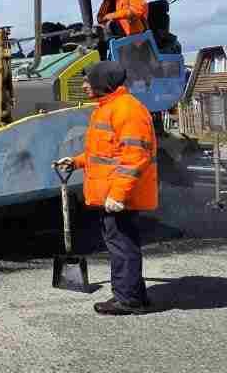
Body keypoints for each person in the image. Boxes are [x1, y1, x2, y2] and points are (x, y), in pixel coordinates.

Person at [55, 61, 159, 315]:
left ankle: (128, 300)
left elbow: (135, 157)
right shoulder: (108, 108)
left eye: (88, 81)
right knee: (123, 244)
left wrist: (118, 195)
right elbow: (105, 152)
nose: (84, 85)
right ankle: (135, 294)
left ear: (104, 83)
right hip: (113, 193)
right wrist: (77, 161)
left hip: (119, 195)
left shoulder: (127, 111)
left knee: (122, 246)